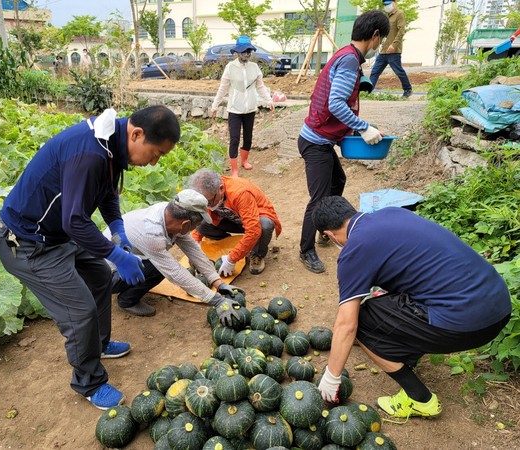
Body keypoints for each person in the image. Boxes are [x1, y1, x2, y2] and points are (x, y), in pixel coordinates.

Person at [0, 105, 181, 410]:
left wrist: (117, 228)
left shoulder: (111, 144)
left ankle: (100, 344)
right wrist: (117, 255)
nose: (155, 162)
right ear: (137, 134)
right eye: (157, 153)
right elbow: (74, 221)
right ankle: (89, 382)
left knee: (99, 276)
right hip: (27, 243)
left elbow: (107, 193)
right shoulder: (90, 153)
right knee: (78, 311)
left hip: (56, 235)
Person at [314, 196, 511, 419]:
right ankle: (407, 347)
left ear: (329, 234)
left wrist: (332, 376)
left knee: (362, 322)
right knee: (383, 301)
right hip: (499, 305)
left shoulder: (354, 251)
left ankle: (419, 399)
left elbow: (346, 325)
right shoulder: (392, 213)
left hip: (468, 323)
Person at [297, 10, 389, 275]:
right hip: (315, 143)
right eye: (380, 40)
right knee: (318, 199)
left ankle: (325, 229)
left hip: (322, 140)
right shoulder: (350, 60)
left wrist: (350, 130)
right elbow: (335, 103)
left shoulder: (346, 55)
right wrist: (363, 128)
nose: (378, 46)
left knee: (338, 183)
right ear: (374, 36)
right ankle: (306, 250)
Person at [109, 189, 245, 321]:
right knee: (161, 268)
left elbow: (193, 250)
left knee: (159, 264)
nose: (195, 229)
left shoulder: (170, 213)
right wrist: (216, 300)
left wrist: (218, 283)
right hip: (106, 275)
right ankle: (127, 300)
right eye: (196, 225)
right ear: (186, 224)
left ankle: (129, 292)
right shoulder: (152, 234)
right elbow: (175, 272)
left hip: (130, 257)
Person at [188, 168, 281, 276]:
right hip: (233, 220)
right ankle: (231, 245)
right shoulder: (209, 195)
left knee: (264, 225)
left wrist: (231, 259)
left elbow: (253, 229)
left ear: (221, 189)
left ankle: (257, 254)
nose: (207, 205)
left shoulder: (240, 193)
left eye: (209, 202)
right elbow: (202, 217)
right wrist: (195, 243)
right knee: (202, 226)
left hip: (255, 218)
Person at [210, 35, 275, 177]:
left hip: (250, 108)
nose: (246, 54)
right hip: (234, 109)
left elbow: (260, 86)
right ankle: (234, 170)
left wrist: (268, 100)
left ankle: (244, 161)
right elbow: (223, 88)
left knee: (248, 137)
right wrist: (215, 105)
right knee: (234, 138)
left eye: (248, 51)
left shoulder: (254, 67)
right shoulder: (230, 67)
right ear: (237, 52)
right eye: (244, 51)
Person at [369, 0, 413, 98]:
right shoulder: (386, 17)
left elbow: (401, 31)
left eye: (387, 4)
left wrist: (394, 45)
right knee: (375, 71)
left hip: (393, 50)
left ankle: (408, 89)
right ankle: (368, 91)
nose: (386, 6)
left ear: (394, 3)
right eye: (384, 5)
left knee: (398, 71)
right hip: (384, 50)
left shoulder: (399, 14)